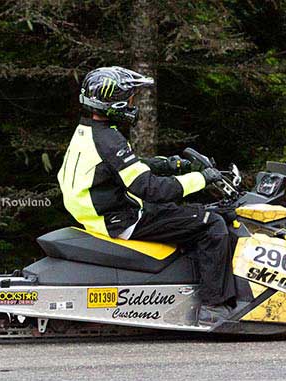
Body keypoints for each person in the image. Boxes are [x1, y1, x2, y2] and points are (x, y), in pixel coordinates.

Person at [57, 66, 236, 326]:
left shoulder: (89, 132)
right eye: (129, 98)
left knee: (193, 213)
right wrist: (202, 178)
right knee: (211, 223)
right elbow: (151, 189)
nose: (132, 103)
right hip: (121, 220)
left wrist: (171, 165)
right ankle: (212, 307)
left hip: (102, 214)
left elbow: (123, 167)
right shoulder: (110, 140)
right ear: (113, 102)